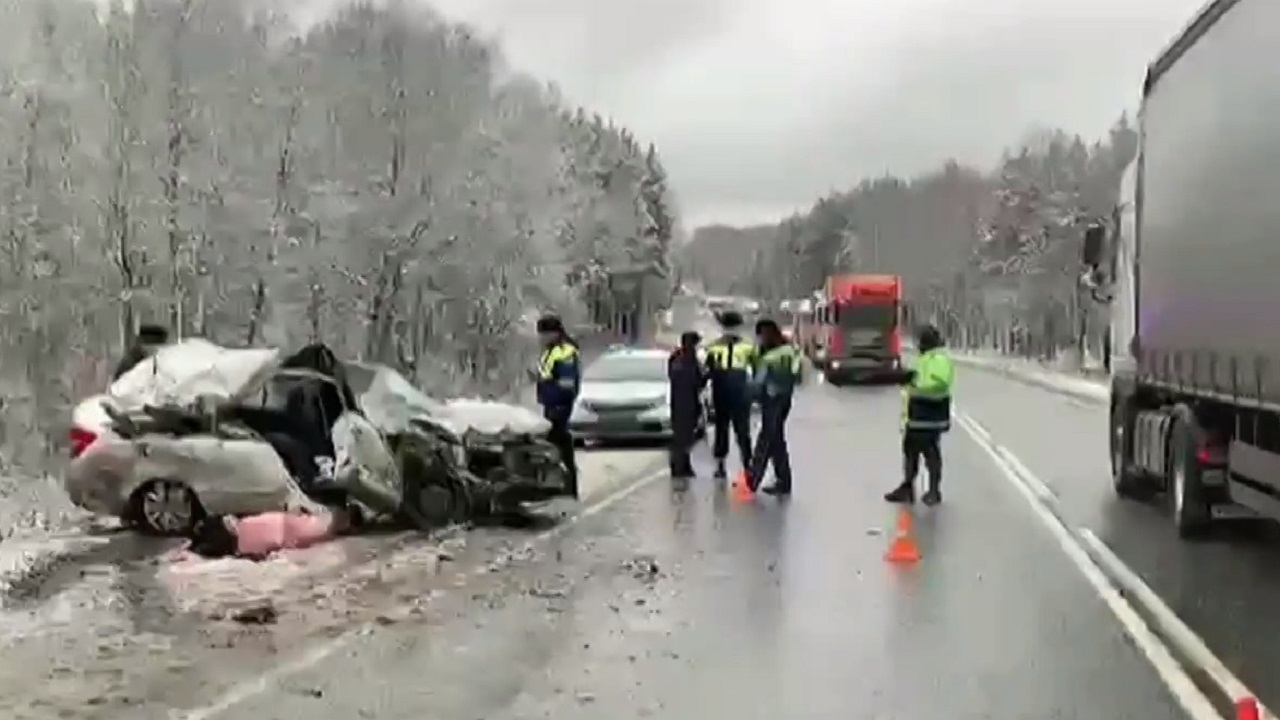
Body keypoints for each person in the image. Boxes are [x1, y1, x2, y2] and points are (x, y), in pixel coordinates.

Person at [884, 324, 955, 506]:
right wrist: (908, 377)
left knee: (930, 452)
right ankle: (908, 487)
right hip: (917, 416)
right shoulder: (926, 358)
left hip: (930, 416)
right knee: (910, 450)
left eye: (919, 341)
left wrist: (914, 388)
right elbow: (922, 378)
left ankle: (933, 491)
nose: (917, 345)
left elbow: (938, 385)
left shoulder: (938, 359)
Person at [745, 318, 802, 495]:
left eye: (761, 335)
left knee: (766, 440)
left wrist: (749, 397)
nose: (760, 339)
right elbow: (798, 375)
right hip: (785, 399)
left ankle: (752, 480)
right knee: (776, 440)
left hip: (772, 399)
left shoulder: (770, 356)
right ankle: (783, 481)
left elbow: (757, 383)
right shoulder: (791, 351)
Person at [186, 507, 355, 560]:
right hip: (278, 531)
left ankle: (346, 517)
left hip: (274, 531)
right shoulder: (317, 531)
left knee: (319, 526)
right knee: (321, 527)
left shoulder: (243, 539)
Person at [704, 310, 756, 479]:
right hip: (721, 389)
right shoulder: (713, 347)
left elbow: (756, 369)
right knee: (721, 430)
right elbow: (707, 369)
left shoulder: (748, 347)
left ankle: (748, 464)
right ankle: (720, 464)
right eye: (729, 327)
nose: (731, 331)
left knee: (742, 431)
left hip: (740, 391)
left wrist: (755, 391)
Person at [536, 314, 582, 498]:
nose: (540, 338)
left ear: (553, 333)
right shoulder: (552, 350)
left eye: (543, 334)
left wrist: (555, 402)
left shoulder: (564, 351)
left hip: (559, 406)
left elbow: (566, 383)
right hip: (552, 404)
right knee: (560, 446)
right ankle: (565, 489)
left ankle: (566, 489)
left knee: (559, 447)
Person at [667, 330, 706, 478]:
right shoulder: (686, 358)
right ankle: (678, 467)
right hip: (685, 402)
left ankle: (684, 465)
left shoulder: (676, 356)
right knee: (682, 437)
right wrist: (708, 373)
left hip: (681, 401)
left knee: (685, 436)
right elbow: (695, 381)